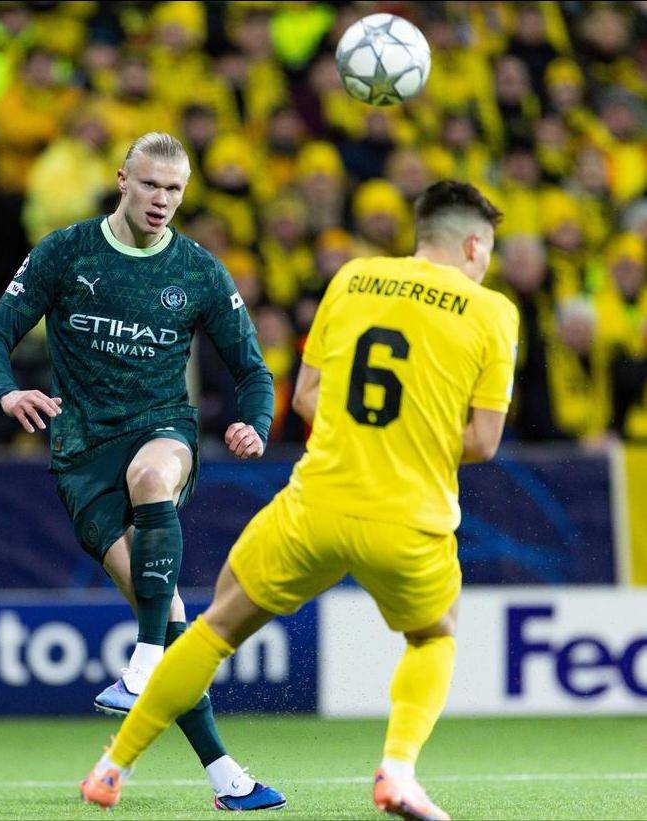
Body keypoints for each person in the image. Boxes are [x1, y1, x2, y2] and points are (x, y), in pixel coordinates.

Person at [80, 181, 518, 821]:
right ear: (475, 246)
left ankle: (113, 767)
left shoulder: (354, 279)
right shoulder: (492, 312)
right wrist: (411, 436)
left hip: (315, 504)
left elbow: (307, 397)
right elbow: (482, 441)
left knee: (215, 628)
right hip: (408, 519)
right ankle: (398, 772)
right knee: (434, 637)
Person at [0, 132, 283, 812]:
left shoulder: (198, 270)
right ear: (122, 181)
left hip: (162, 430)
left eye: (173, 189)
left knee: (152, 480)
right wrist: (7, 392)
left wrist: (253, 424)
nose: (161, 200)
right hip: (82, 454)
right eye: (149, 185)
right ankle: (225, 776)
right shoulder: (66, 252)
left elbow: (253, 371)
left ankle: (141, 661)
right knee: (170, 616)